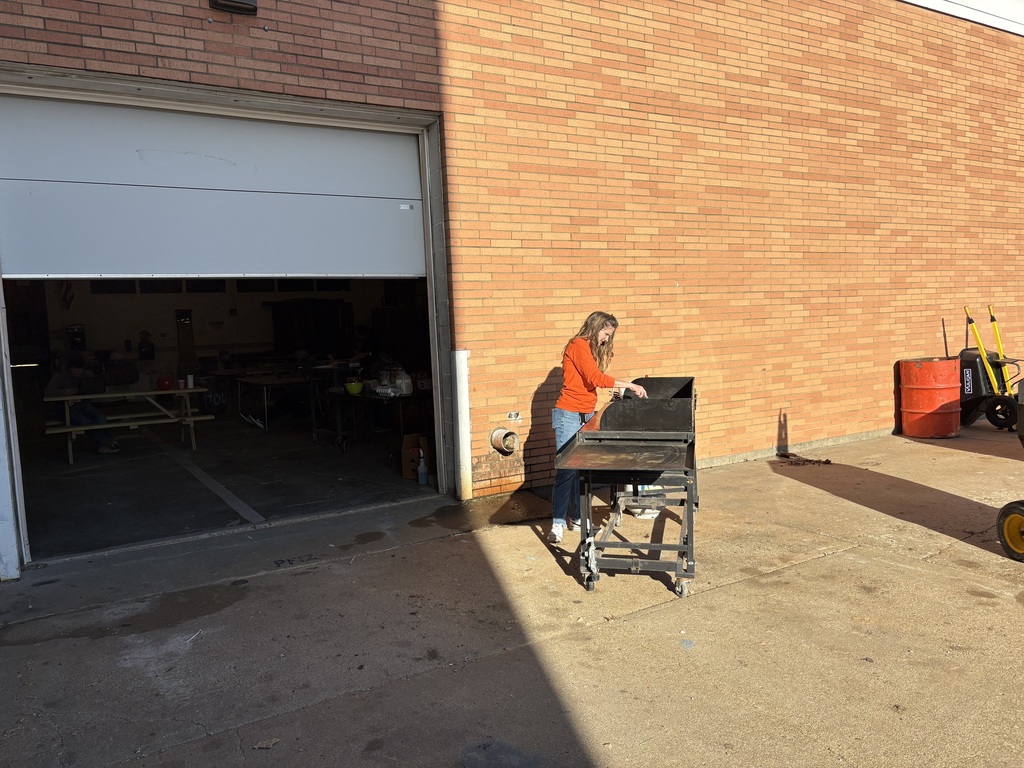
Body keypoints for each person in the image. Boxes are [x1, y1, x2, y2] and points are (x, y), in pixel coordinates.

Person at [549, 311, 647, 543]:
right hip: (568, 414)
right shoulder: (578, 345)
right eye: (605, 333)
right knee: (566, 469)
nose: (606, 339)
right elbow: (594, 378)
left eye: (609, 336)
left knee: (580, 470)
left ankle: (577, 518)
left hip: (586, 415)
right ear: (595, 328)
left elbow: (590, 382)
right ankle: (557, 523)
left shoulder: (589, 350)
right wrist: (629, 385)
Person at [45, 352, 119, 455]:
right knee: (85, 421)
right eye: (75, 368)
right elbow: (48, 392)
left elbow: (96, 387)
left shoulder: (87, 374)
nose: (78, 371)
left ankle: (103, 444)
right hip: (66, 408)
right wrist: (65, 392)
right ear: (69, 367)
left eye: (80, 368)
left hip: (84, 406)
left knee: (101, 418)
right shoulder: (60, 377)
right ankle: (108, 442)